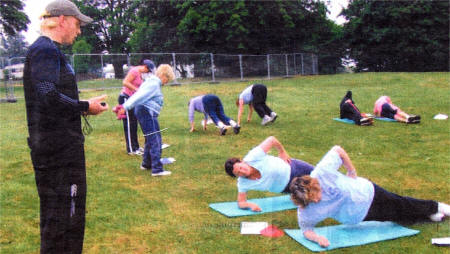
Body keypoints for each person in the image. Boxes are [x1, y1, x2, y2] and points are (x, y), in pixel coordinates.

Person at [23, 0, 108, 253]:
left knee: (66, 220)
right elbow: (47, 94)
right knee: (63, 221)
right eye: (77, 23)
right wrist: (84, 106)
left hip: (60, 149)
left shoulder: (50, 51)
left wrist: (81, 104)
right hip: (58, 153)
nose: (79, 30)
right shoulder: (45, 50)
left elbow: (50, 94)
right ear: (62, 20)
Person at [289, 145, 450, 248]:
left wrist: (351, 169)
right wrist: (318, 239)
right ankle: (430, 216)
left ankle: (439, 207)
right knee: (396, 216)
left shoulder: (321, 173)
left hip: (367, 192)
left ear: (314, 185)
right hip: (360, 214)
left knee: (402, 204)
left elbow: (338, 150)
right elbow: (306, 230)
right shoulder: (305, 210)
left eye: (315, 195)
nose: (316, 200)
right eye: (311, 201)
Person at [224, 136, 314, 212]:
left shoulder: (252, 157)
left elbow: (271, 139)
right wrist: (250, 205)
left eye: (240, 167)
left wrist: (282, 151)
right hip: (288, 188)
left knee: (322, 177)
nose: (242, 171)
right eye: (238, 173)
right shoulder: (243, 183)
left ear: (242, 161)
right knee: (313, 198)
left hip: (294, 168)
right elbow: (241, 202)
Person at [119, 64, 175, 176]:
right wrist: (125, 106)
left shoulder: (152, 82)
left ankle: (146, 163)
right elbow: (139, 96)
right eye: (167, 80)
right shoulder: (154, 84)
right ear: (163, 75)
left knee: (151, 138)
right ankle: (157, 169)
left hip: (147, 112)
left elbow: (139, 93)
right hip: (146, 112)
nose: (166, 82)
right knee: (155, 140)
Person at [119, 59, 155, 155]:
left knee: (134, 124)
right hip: (126, 98)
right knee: (129, 125)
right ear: (145, 66)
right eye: (148, 70)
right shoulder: (134, 71)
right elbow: (125, 82)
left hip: (132, 100)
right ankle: (131, 149)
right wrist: (137, 90)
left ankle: (136, 147)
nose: (147, 72)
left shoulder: (139, 74)